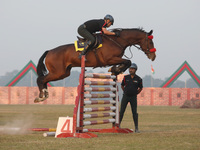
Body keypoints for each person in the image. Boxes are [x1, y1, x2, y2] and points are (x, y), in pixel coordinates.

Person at [119, 63, 143, 133]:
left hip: (133, 97)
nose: (131, 70)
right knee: (121, 111)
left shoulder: (139, 79)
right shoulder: (125, 77)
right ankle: (118, 125)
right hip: (125, 96)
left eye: (132, 69)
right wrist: (126, 91)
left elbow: (140, 88)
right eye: (130, 69)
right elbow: (122, 86)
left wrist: (135, 93)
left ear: (135, 70)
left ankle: (136, 128)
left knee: (134, 112)